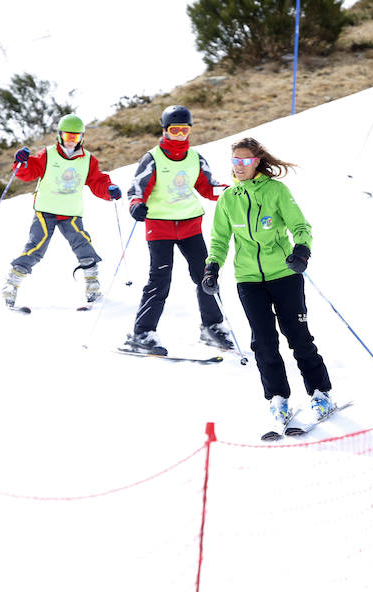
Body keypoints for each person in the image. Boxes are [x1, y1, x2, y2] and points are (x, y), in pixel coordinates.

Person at [201, 137, 335, 427]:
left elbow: (300, 226)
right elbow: (220, 239)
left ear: (257, 161)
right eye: (235, 161)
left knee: (298, 337)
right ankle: (277, 398)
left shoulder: (276, 191)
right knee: (263, 343)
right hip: (248, 279)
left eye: (245, 160)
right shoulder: (228, 199)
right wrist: (212, 267)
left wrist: (302, 250)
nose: (239, 166)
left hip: (285, 274)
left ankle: (320, 392)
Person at [123, 105, 233, 355]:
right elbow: (136, 191)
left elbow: (208, 187)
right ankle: (143, 333)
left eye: (184, 130)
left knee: (206, 276)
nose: (180, 135)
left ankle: (212, 327)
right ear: (164, 131)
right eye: (175, 131)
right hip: (160, 227)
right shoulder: (152, 159)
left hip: (190, 224)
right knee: (160, 281)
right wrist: (136, 205)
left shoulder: (195, 158)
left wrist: (229, 192)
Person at [1, 113, 122, 308]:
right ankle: (12, 283)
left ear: (82, 137)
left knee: (82, 243)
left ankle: (92, 284)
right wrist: (22, 163)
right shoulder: (47, 154)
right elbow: (29, 172)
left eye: (75, 137)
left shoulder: (88, 160)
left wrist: (108, 190)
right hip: (45, 209)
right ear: (59, 135)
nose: (71, 141)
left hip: (71, 211)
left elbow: (97, 181)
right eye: (68, 136)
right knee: (36, 246)